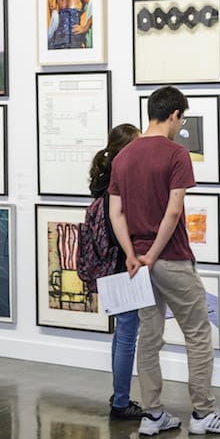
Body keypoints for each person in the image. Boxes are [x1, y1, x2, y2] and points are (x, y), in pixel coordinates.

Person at [108, 86, 220, 436]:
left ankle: (153, 415)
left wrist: (132, 255)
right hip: (170, 259)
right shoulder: (176, 154)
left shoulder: (123, 157)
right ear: (173, 115)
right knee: (198, 333)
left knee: (148, 338)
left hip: (139, 264)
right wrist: (154, 254)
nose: (180, 125)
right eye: (181, 119)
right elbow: (172, 212)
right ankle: (203, 413)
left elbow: (116, 213)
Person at [90, 123, 146, 421]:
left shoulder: (103, 180)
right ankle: (121, 401)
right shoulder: (119, 182)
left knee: (122, 332)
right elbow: (117, 228)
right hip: (121, 264)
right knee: (127, 333)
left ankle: (119, 394)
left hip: (110, 264)